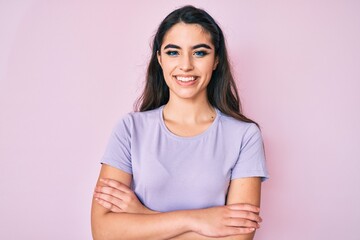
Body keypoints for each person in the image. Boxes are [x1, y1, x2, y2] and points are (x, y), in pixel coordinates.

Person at [91, 5, 268, 240]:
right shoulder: (130, 129)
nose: (185, 65)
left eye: (200, 52)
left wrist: (141, 215)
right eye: (173, 52)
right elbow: (103, 232)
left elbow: (238, 238)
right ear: (159, 59)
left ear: (216, 60)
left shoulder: (244, 135)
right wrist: (198, 220)